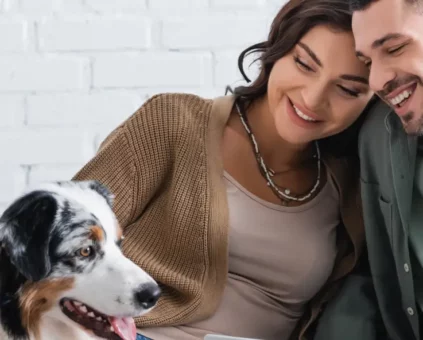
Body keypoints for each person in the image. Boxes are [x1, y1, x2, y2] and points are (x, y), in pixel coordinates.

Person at [72, 0, 373, 339]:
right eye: (304, 64)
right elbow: (64, 236)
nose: (314, 98)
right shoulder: (174, 124)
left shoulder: (349, 186)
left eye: (348, 89)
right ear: (277, 51)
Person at [313, 0, 423, 339]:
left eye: (394, 47)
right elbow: (377, 275)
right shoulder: (379, 136)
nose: (376, 80)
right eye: (367, 62)